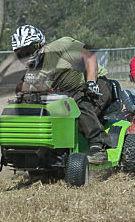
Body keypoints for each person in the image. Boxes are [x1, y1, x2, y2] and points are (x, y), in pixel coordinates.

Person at [11, 24, 113, 164]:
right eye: (21, 53)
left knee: (78, 107)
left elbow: (89, 58)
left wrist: (91, 83)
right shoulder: (32, 71)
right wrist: (26, 86)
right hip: (68, 96)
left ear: (40, 44)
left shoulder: (59, 47)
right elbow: (21, 89)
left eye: (29, 50)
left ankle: (98, 147)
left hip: (97, 84)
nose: (26, 56)